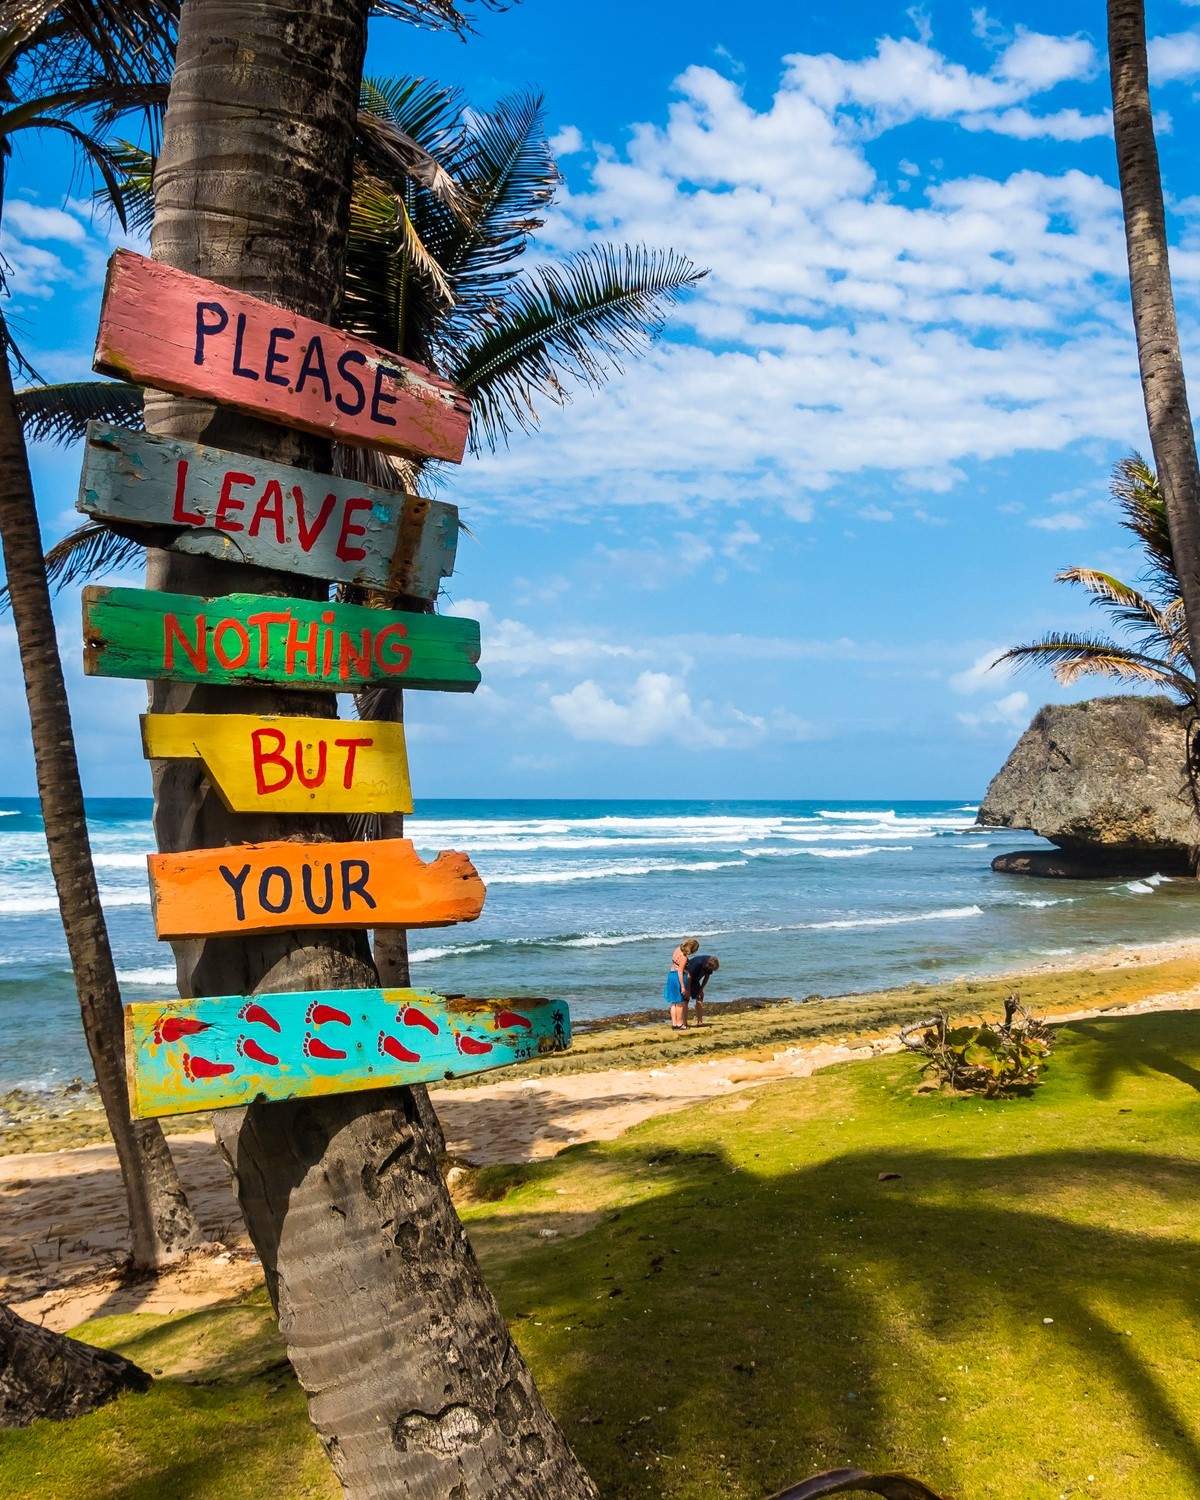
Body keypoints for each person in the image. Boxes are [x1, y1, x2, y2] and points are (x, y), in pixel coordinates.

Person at [666, 938, 699, 1030]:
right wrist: (683, 986)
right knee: (680, 1002)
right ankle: (680, 1024)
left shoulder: (677, 949)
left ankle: (674, 1024)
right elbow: (680, 972)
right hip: (678, 977)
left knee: (674, 1002)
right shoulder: (683, 958)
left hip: (671, 975)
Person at [683, 953, 720, 1028]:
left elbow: (706, 977)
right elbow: (689, 977)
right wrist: (688, 990)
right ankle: (685, 1023)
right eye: (710, 969)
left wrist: (701, 989)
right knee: (686, 1000)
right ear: (707, 965)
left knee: (700, 997)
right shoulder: (698, 962)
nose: (710, 970)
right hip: (686, 977)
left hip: (695, 980)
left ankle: (699, 1022)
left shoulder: (711, 963)